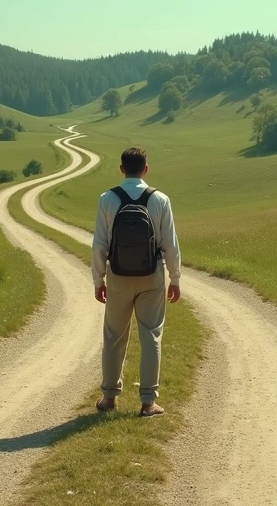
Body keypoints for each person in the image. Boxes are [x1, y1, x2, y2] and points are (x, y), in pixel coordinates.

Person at [92, 147, 181, 417]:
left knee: (113, 336)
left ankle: (109, 398)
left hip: (118, 276)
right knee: (151, 335)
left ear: (121, 169)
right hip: (151, 275)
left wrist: (99, 280)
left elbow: (99, 245)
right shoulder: (160, 199)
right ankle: (148, 402)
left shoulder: (107, 199)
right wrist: (174, 278)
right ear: (146, 168)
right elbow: (170, 245)